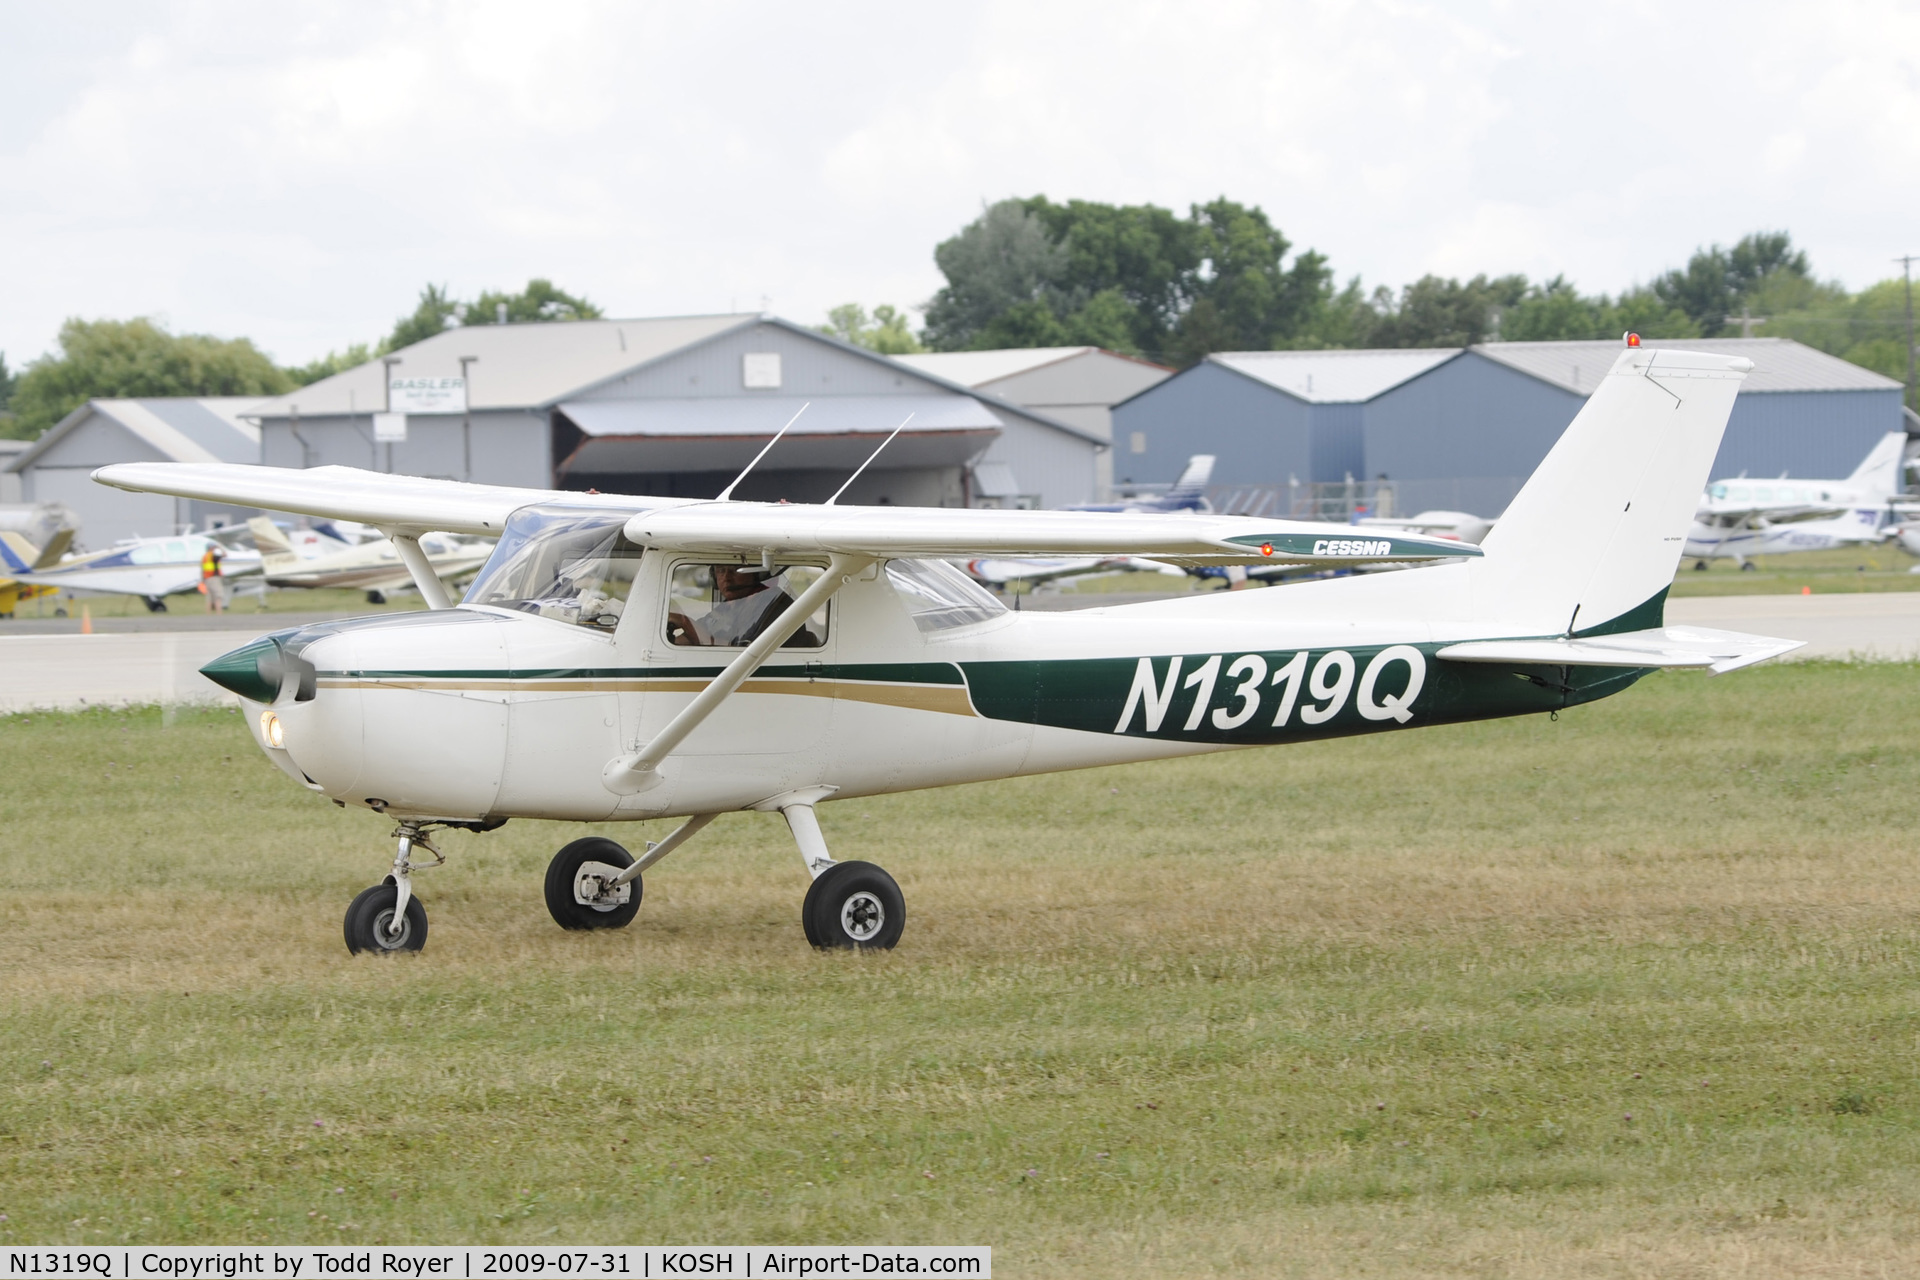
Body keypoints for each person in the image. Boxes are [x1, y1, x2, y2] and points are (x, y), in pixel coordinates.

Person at [200, 541, 227, 613]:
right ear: (212, 547)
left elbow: (202, 569)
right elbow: (224, 555)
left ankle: (208, 615)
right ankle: (219, 614)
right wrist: (220, 548)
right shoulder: (213, 555)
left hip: (207, 579)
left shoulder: (204, 556)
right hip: (214, 578)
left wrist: (203, 580)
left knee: (209, 598)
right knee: (218, 596)